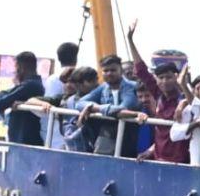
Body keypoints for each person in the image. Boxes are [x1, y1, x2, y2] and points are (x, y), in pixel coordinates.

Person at [126, 20, 188, 163]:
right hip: (158, 156)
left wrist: (184, 103)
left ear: (176, 77)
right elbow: (141, 69)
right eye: (161, 78)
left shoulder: (184, 96)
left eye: (169, 77)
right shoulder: (158, 94)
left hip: (179, 160)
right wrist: (130, 40)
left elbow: (196, 104)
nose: (165, 81)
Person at [77, 54, 139, 156]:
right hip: (108, 137)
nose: (109, 73)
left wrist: (94, 108)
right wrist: (91, 106)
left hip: (130, 137)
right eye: (105, 71)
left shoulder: (131, 87)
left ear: (121, 71)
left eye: (113, 70)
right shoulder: (103, 87)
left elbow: (123, 108)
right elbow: (79, 103)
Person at [0, 51, 45, 146]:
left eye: (16, 67)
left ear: (22, 67)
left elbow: (1, 103)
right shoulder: (30, 84)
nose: (15, 71)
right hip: (20, 140)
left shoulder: (31, 85)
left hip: (25, 142)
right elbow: (6, 93)